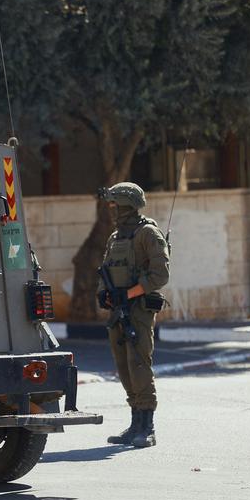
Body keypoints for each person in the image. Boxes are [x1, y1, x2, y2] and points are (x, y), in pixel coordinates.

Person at [97, 182, 170, 449]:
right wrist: (104, 292)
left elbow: (160, 275)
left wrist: (128, 295)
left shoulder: (147, 233)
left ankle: (147, 427)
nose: (112, 208)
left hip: (138, 309)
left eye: (115, 204)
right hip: (118, 310)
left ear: (127, 204)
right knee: (124, 366)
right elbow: (105, 269)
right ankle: (134, 423)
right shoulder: (115, 237)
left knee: (139, 364)